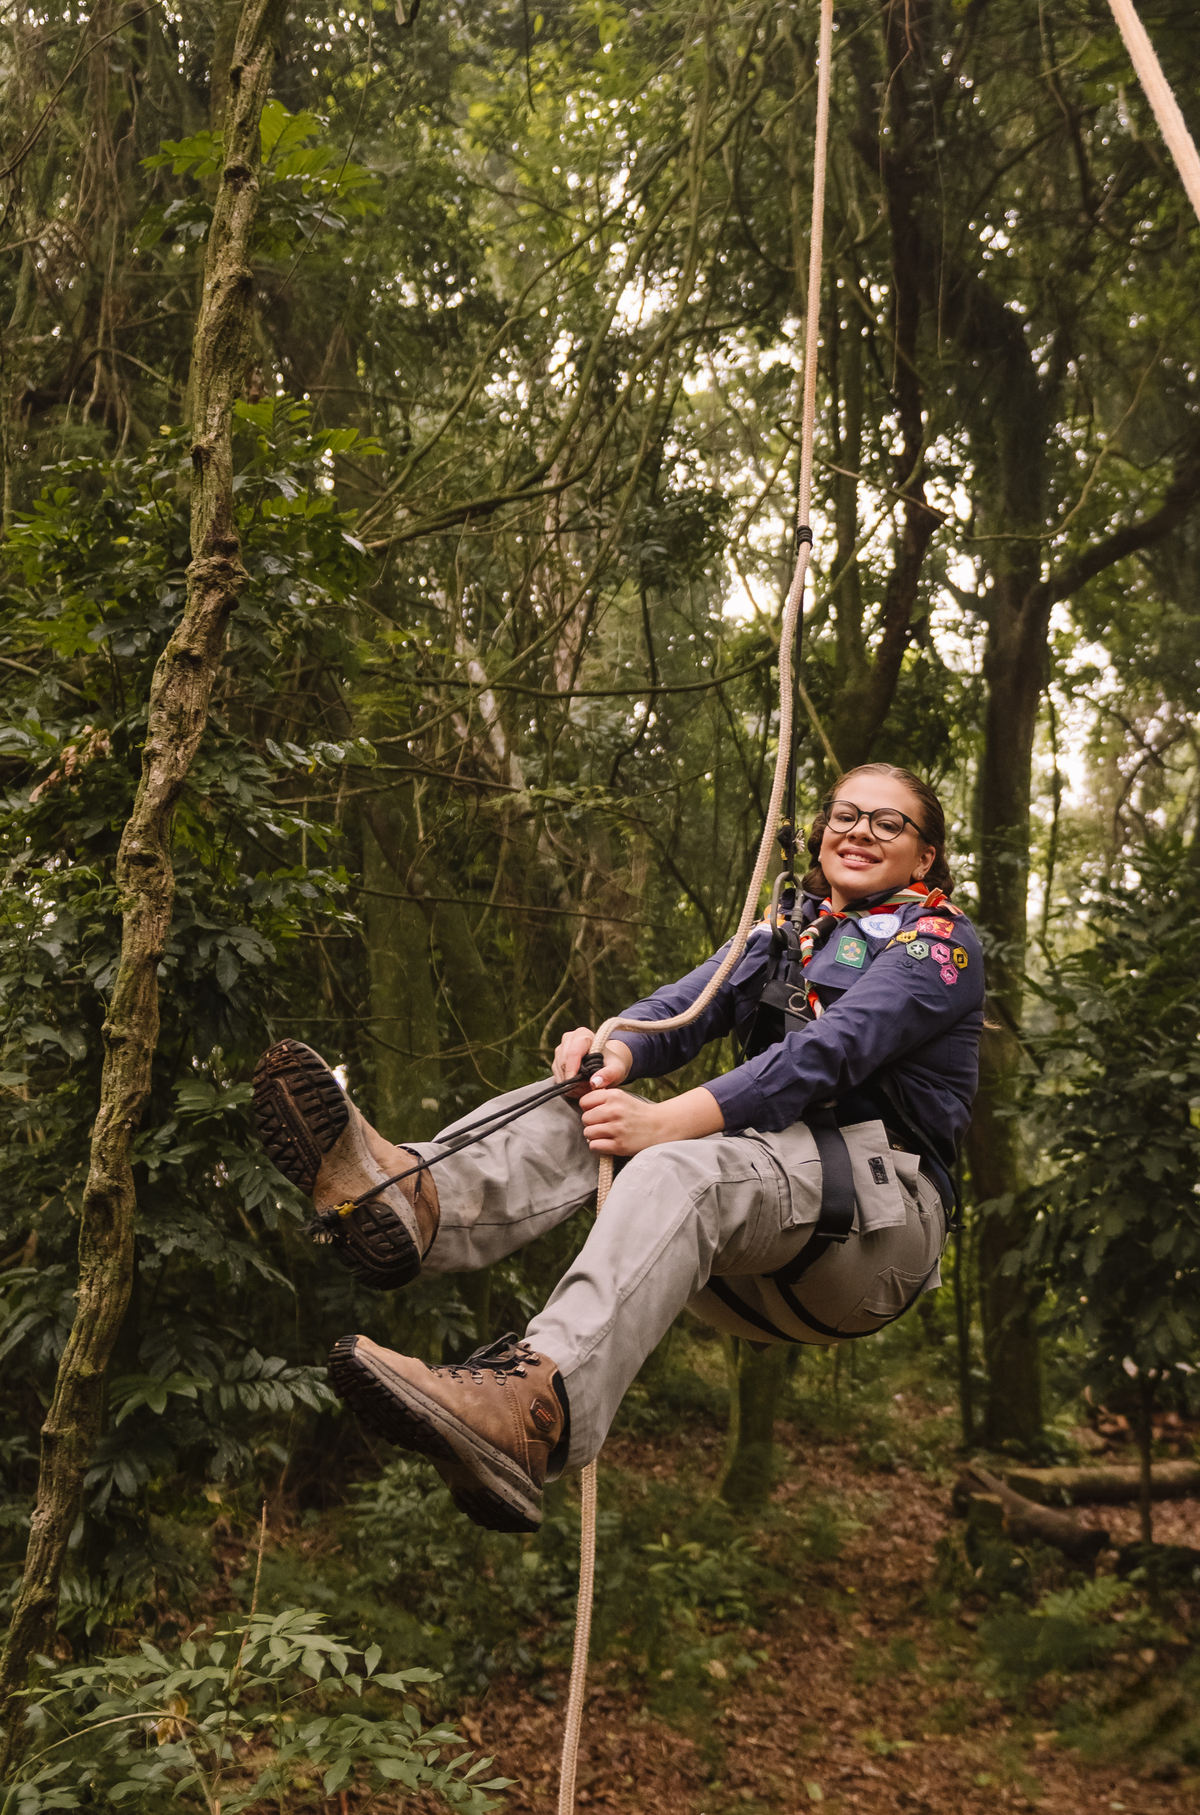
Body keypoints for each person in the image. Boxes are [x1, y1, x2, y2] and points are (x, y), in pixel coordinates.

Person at [254, 763, 984, 1533]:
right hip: (756, 1240)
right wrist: (618, 1049)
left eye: (888, 823)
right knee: (595, 1106)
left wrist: (668, 1120)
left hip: (877, 1231)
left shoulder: (939, 946)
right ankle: (419, 1195)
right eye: (845, 814)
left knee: (675, 1156)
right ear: (819, 829)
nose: (860, 831)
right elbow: (682, 1008)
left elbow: (831, 1050)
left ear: (925, 855)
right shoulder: (786, 936)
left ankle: (531, 1410)